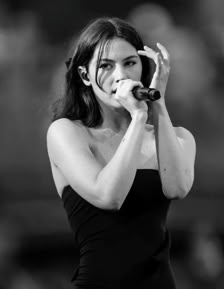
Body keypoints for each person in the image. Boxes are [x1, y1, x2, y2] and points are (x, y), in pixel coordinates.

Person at [47, 16, 196, 289]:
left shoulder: (179, 137)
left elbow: (177, 187)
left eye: (130, 63)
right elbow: (109, 195)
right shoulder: (67, 132)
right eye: (106, 65)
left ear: (143, 67)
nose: (121, 75)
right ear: (84, 76)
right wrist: (139, 117)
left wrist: (157, 104)